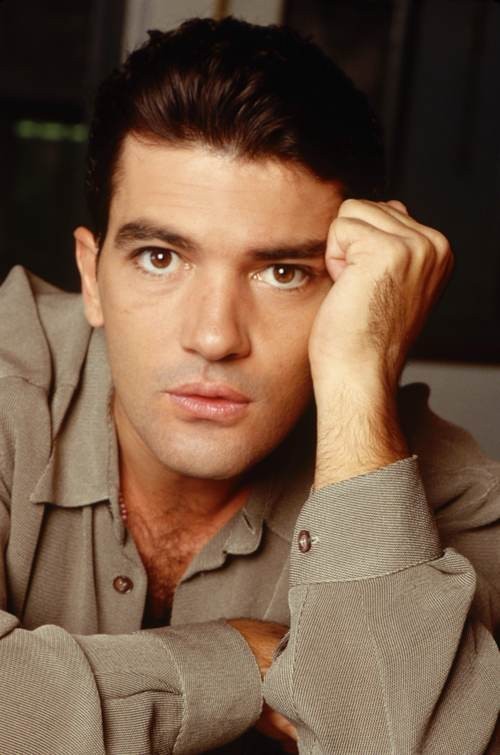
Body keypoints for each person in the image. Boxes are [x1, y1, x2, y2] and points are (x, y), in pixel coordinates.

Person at [0, 15, 498, 755]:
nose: (214, 336)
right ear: (91, 277)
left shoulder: (447, 501)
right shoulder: (11, 377)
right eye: (161, 258)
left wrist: (359, 375)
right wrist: (237, 662)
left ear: (349, 290)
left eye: (283, 272)